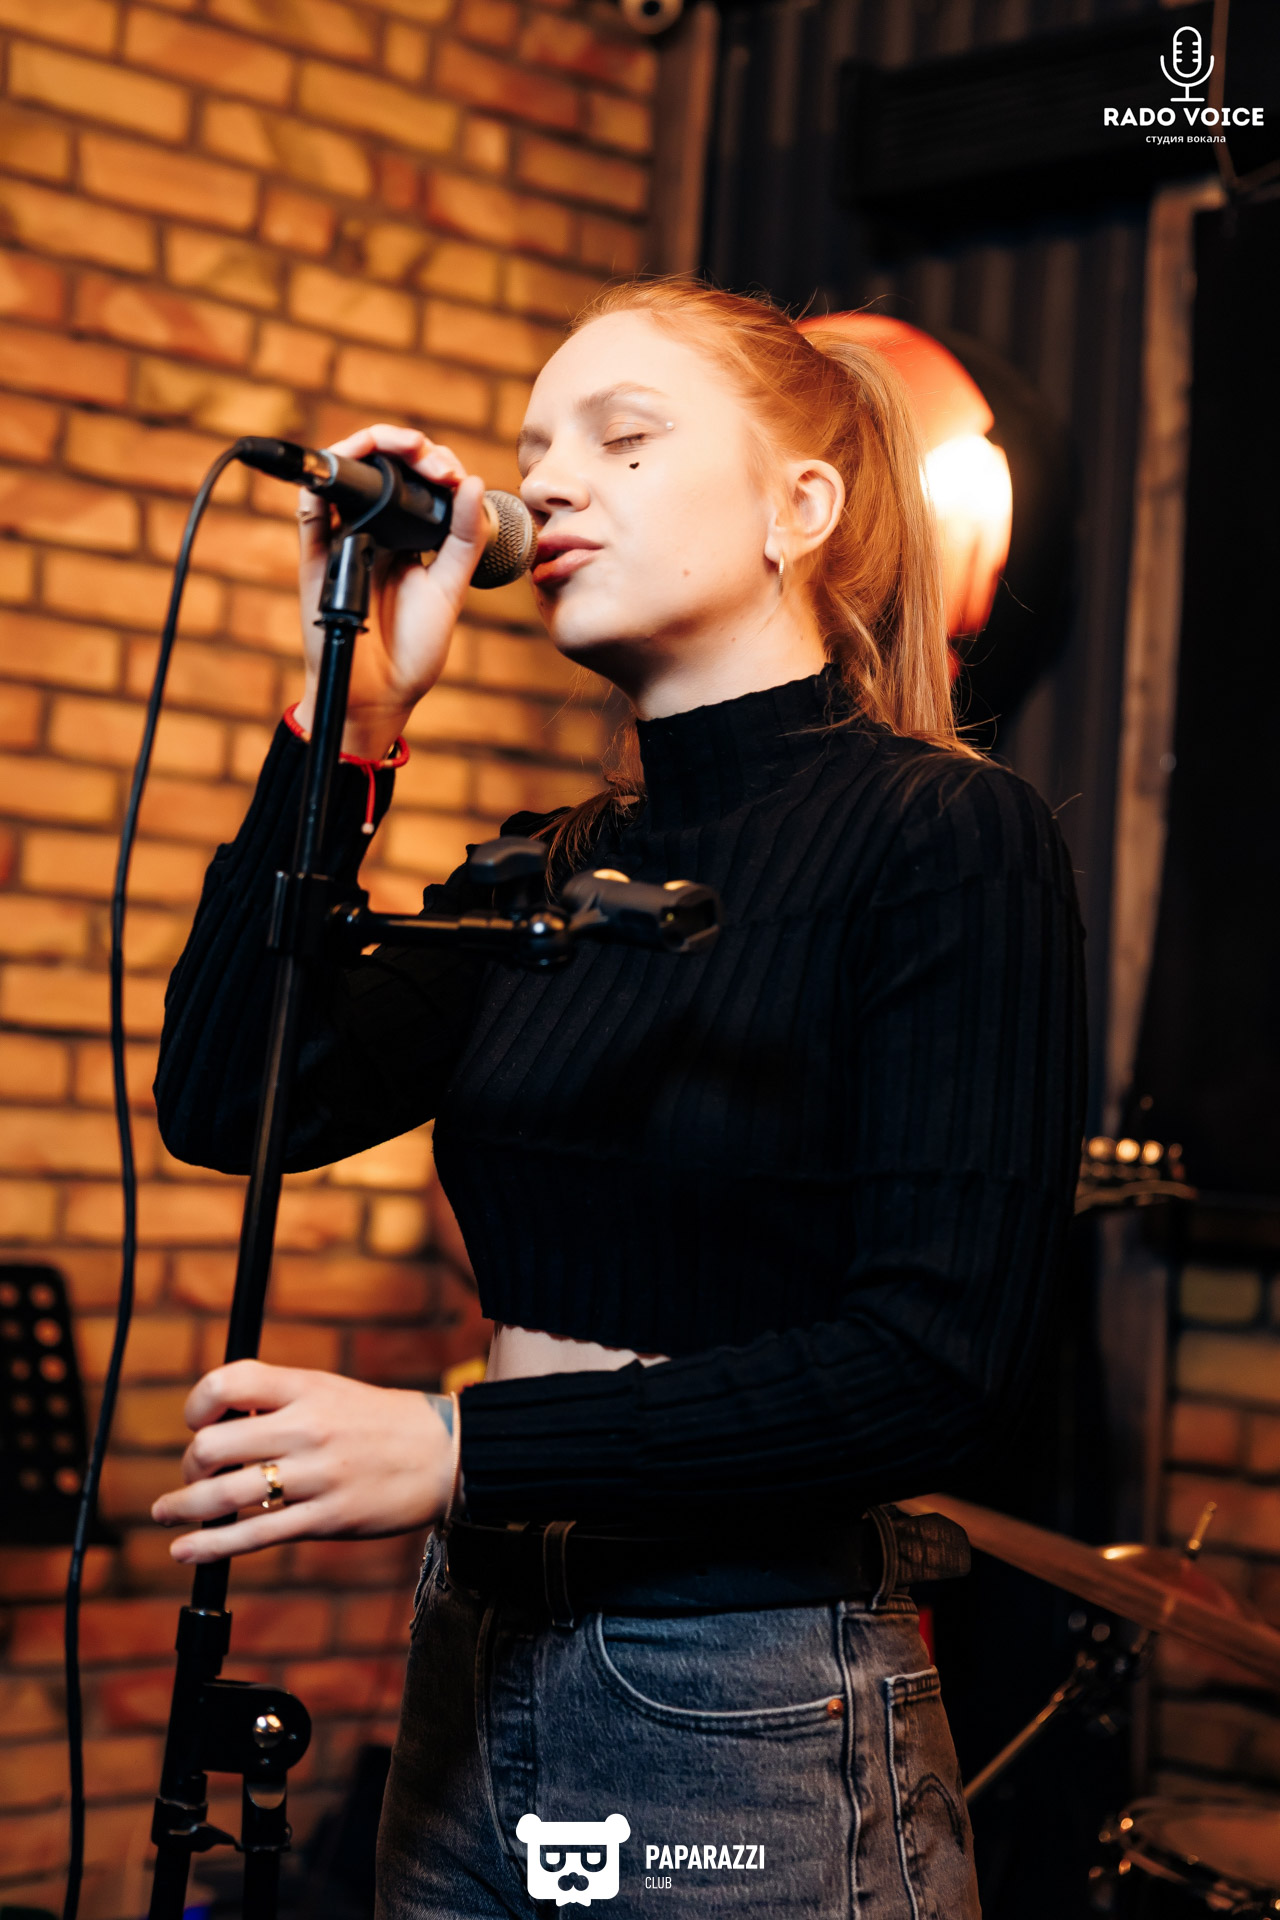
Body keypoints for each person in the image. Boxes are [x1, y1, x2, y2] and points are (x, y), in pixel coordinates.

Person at [152, 278, 1086, 1919]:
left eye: (623, 438)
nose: (552, 484)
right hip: (478, 1651)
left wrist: (462, 1443)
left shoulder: (947, 836)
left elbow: (933, 1367)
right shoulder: (550, 868)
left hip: (746, 1688)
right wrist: (350, 725)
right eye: (535, 452)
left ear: (803, 508)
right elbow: (232, 1098)